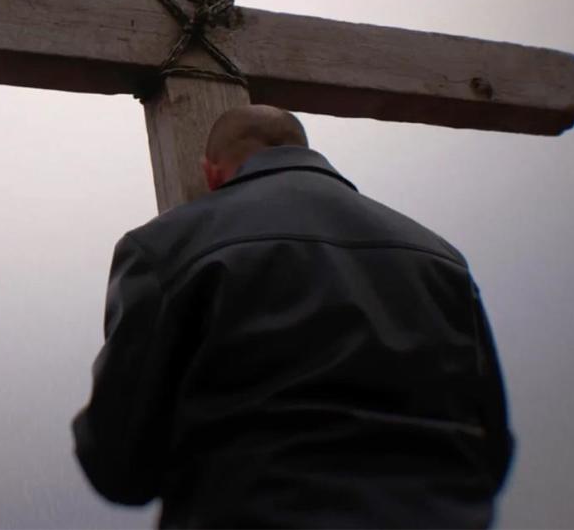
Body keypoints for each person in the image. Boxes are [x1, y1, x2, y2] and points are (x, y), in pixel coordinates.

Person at [72, 105, 513, 528]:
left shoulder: (166, 247)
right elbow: (491, 448)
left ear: (211, 173)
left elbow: (120, 465)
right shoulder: (442, 258)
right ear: (309, 153)